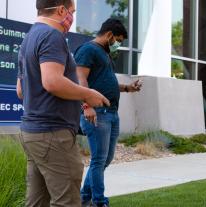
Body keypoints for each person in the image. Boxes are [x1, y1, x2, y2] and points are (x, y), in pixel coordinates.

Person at [16, 0, 110, 206]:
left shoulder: (28, 38)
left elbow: (21, 91)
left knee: (36, 202)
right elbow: (52, 82)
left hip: (32, 134)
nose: (72, 17)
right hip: (53, 135)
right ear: (61, 10)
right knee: (67, 202)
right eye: (72, 11)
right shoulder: (52, 36)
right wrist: (88, 94)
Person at [75, 18, 142, 207]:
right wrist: (86, 105)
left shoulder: (104, 54)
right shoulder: (88, 49)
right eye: (118, 40)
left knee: (106, 159)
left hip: (111, 113)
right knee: (98, 160)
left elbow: (107, 82)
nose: (118, 44)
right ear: (109, 35)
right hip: (97, 113)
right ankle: (99, 201)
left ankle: (83, 199)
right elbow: (79, 78)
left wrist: (128, 88)